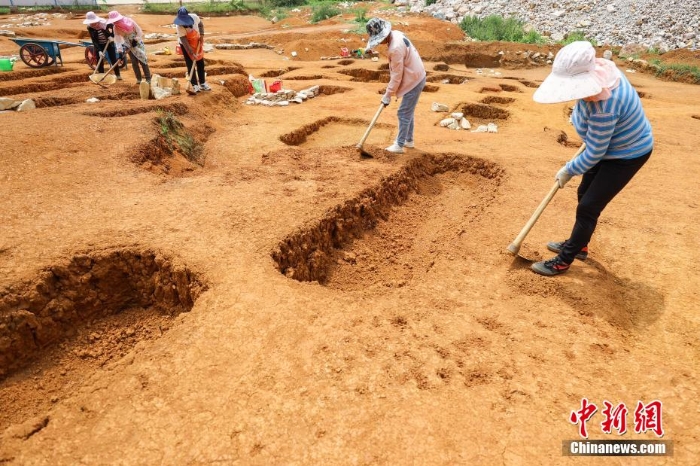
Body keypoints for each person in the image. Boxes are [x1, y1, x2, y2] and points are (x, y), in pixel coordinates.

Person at [530, 41, 653, 276]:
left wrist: (569, 169)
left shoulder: (605, 107)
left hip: (626, 154)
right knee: (583, 193)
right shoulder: (602, 71)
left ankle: (563, 261)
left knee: (588, 207)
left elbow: (595, 152)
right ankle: (580, 246)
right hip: (609, 146)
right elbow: (595, 135)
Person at [365, 17, 426, 154]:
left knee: (403, 112)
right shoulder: (396, 34)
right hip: (416, 75)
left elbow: (396, 76)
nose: (379, 43)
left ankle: (399, 144)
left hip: (414, 80)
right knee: (408, 111)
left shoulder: (395, 48)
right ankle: (408, 140)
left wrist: (388, 94)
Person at [106, 10, 151, 84]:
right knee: (134, 62)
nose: (116, 22)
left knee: (143, 60)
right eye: (114, 21)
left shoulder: (130, 21)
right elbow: (117, 41)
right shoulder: (115, 28)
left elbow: (139, 31)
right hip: (128, 45)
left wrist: (136, 40)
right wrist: (120, 52)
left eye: (116, 20)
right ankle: (139, 79)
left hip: (138, 44)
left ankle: (148, 79)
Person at [173, 7, 211, 93]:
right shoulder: (179, 27)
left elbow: (201, 25)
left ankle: (203, 83)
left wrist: (201, 35)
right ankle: (194, 85)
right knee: (190, 64)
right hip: (186, 44)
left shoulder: (194, 17)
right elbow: (184, 40)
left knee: (200, 63)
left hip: (196, 41)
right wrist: (191, 53)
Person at [84, 11, 122, 81]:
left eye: (94, 22)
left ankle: (118, 75)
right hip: (99, 45)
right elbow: (94, 40)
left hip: (109, 43)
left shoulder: (105, 23)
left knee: (113, 59)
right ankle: (101, 76)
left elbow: (114, 28)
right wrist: (99, 51)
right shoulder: (90, 28)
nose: (93, 24)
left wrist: (111, 36)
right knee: (99, 60)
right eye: (91, 23)